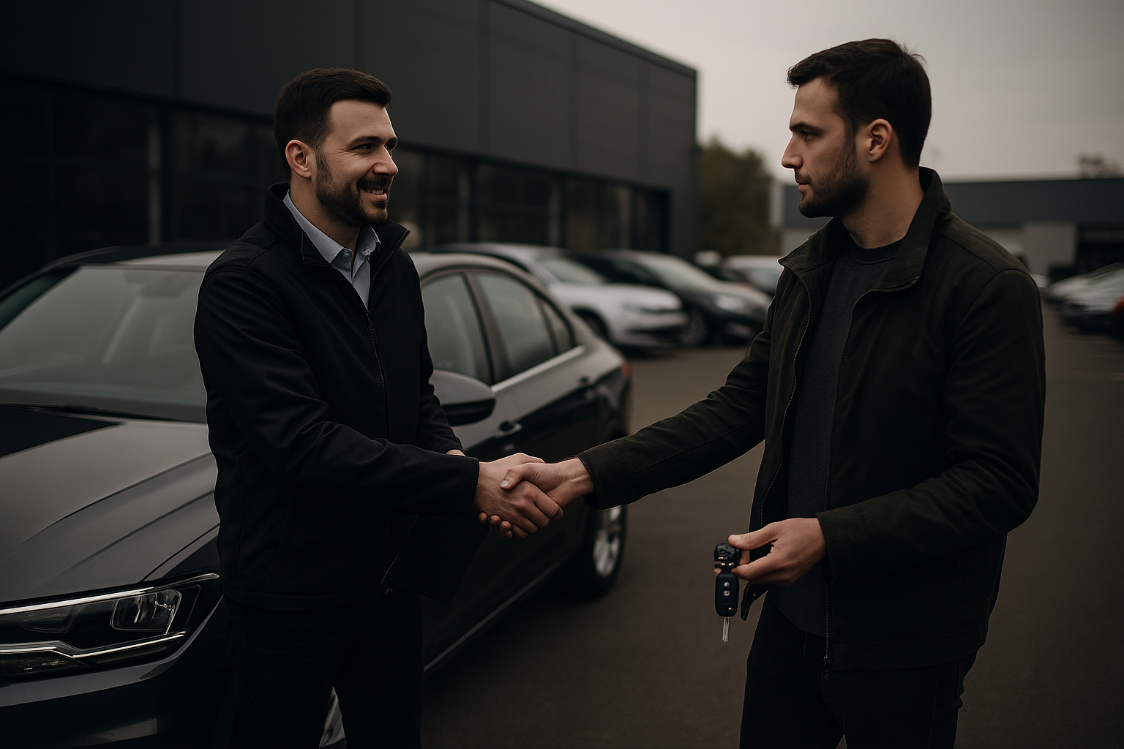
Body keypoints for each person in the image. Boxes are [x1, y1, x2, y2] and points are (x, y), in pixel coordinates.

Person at [494, 39, 1045, 748]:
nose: (788, 156)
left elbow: (998, 482)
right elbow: (736, 408)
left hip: (906, 650)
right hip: (789, 625)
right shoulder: (810, 272)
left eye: (807, 133)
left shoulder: (984, 285)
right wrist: (582, 474)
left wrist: (829, 537)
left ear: (877, 139)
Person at [193, 68, 560, 748]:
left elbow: (417, 395)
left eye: (389, 146)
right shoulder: (243, 283)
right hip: (290, 596)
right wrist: (468, 481)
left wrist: (452, 455)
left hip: (392, 582)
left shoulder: (392, 265)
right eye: (364, 147)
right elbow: (303, 444)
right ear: (302, 158)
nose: (388, 164)